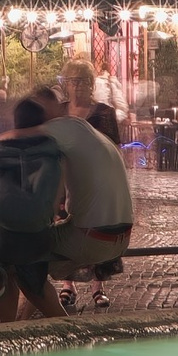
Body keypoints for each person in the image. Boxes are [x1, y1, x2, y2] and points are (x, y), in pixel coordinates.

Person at [0, 98, 71, 324]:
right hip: (35, 238)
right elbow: (55, 205)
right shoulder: (55, 155)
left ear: (15, 122)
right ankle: (75, 333)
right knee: (36, 284)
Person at [36, 84, 133, 312]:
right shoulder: (87, 131)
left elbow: (21, 141)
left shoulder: (59, 128)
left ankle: (48, 328)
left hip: (94, 238)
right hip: (122, 236)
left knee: (27, 255)